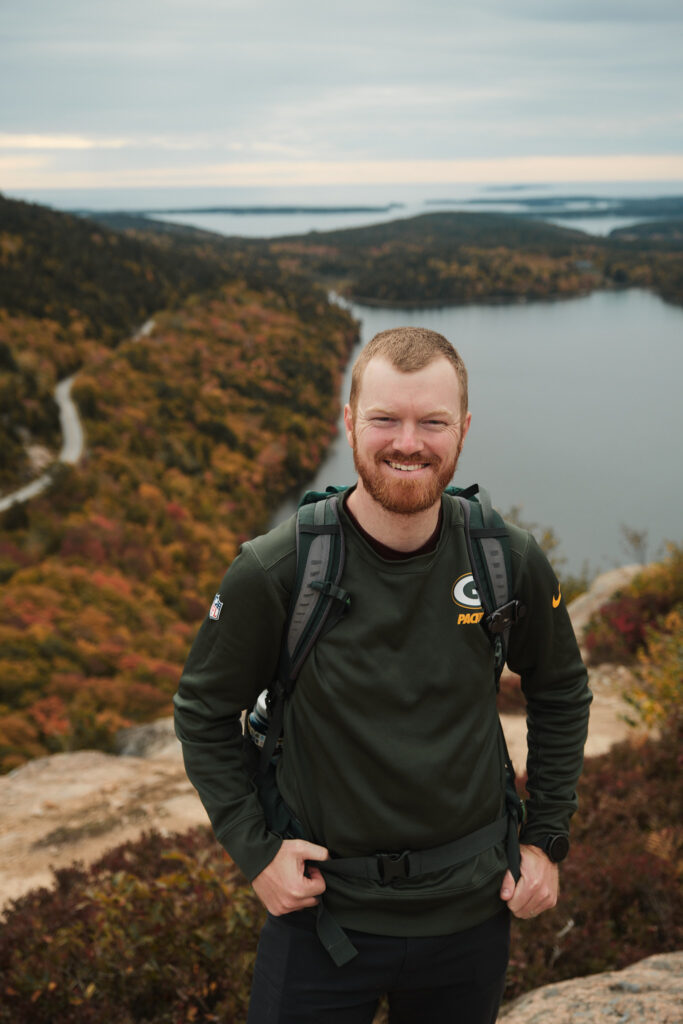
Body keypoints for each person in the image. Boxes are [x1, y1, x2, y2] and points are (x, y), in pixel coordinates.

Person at [174, 327, 591, 1024]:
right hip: (322, 919)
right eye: (384, 419)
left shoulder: (503, 559)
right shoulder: (278, 570)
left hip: (470, 912)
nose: (407, 442)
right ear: (348, 422)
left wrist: (544, 840)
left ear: (461, 429)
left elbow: (559, 690)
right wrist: (256, 852)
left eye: (431, 422)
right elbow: (201, 711)